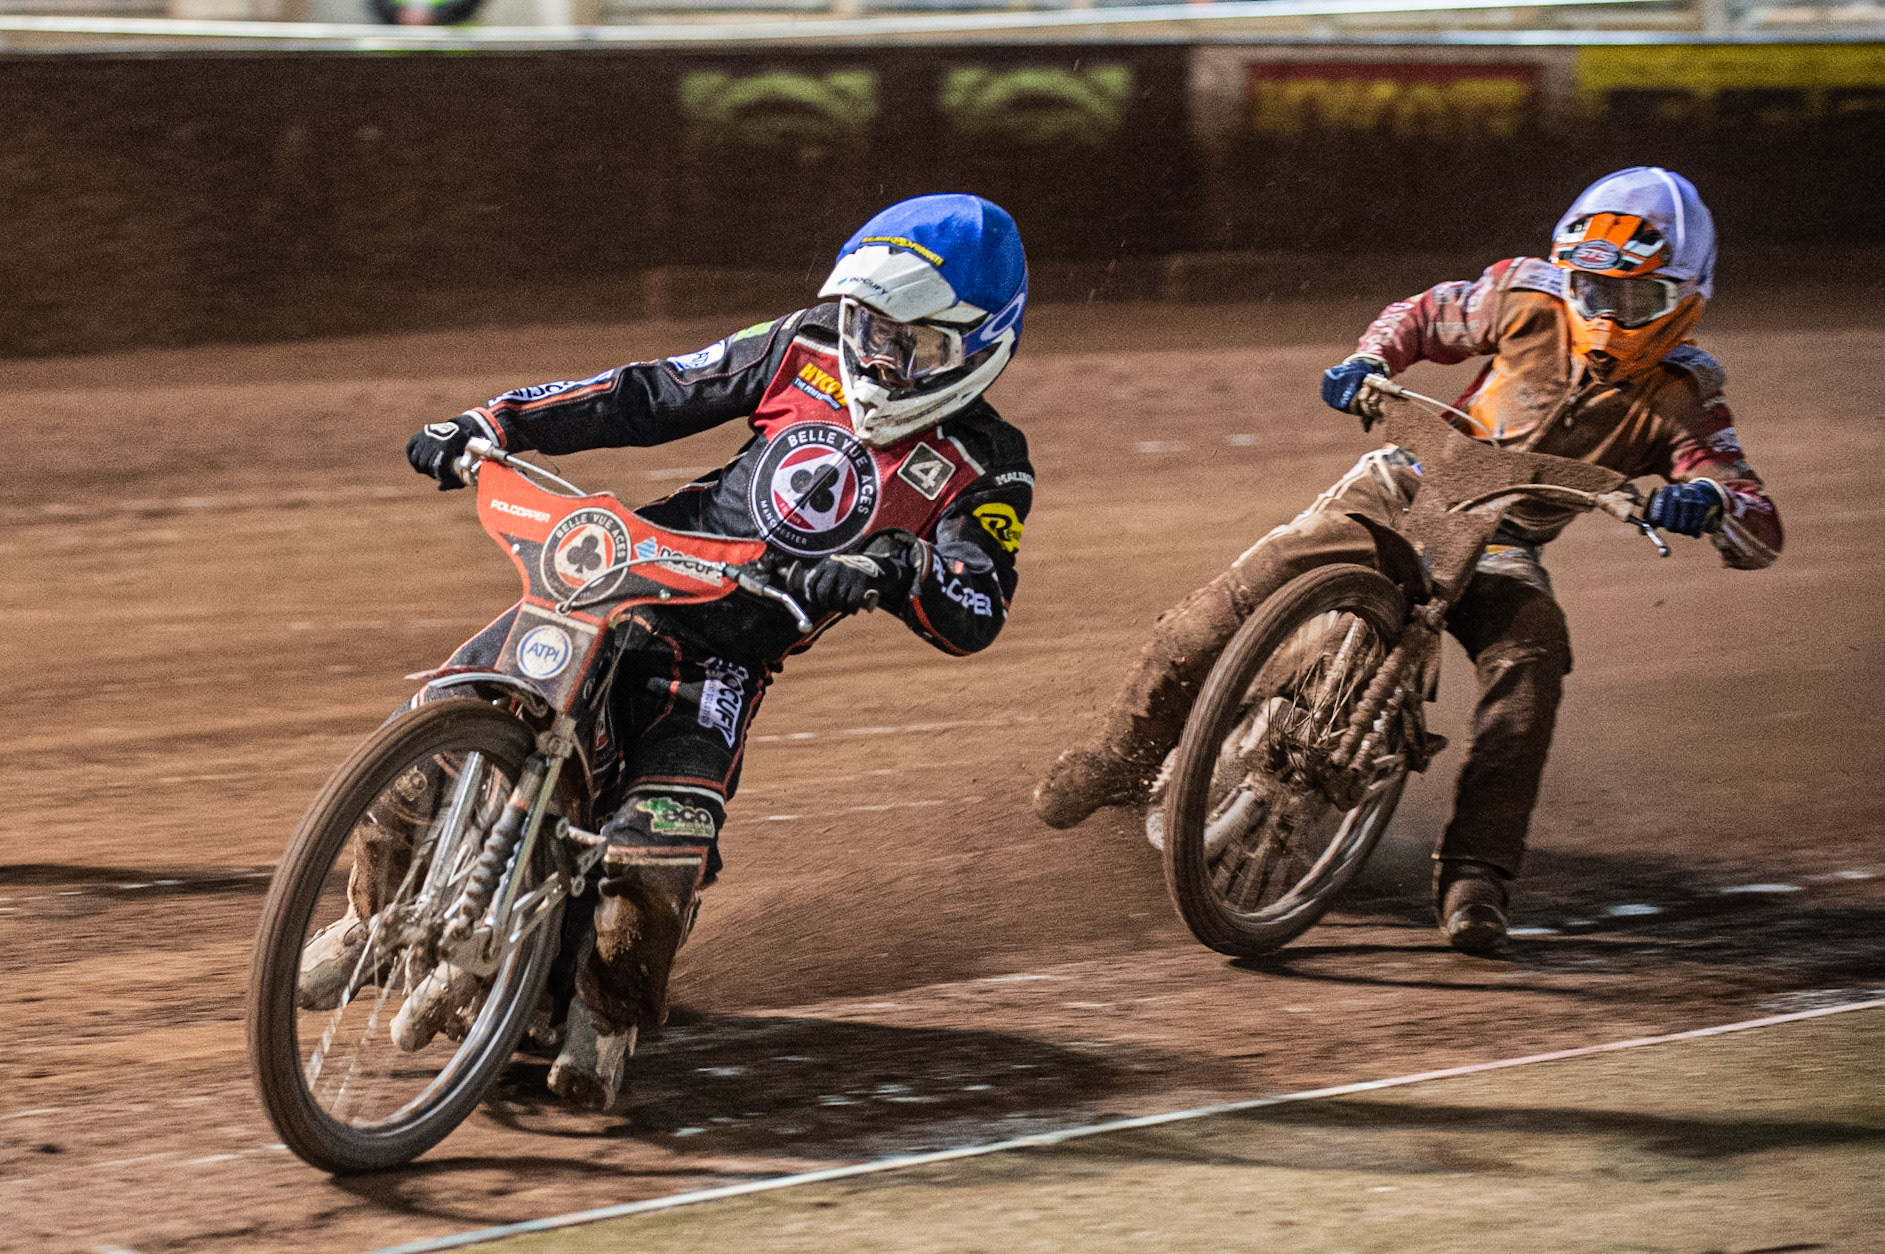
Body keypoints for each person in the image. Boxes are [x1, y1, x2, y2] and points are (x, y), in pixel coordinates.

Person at [1031, 167, 1782, 952]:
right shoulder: (1524, 299)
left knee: (1531, 655)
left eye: (1638, 301)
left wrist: (1711, 502)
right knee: (1234, 597)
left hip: (1503, 541)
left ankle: (1476, 873)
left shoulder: (1687, 397)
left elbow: (1758, 520)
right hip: (1406, 486)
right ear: (1570, 279)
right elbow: (1424, 315)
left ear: (1688, 300)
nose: (1609, 317)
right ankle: (1121, 754)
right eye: (1594, 294)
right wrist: (1368, 361)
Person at [392, 193, 1032, 1109]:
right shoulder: (803, 344)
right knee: (436, 730)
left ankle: (606, 1012)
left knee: (652, 863)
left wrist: (900, 567)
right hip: (613, 586)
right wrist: (497, 423)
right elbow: (654, 391)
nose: (878, 358)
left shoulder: (989, 463)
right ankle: (362, 919)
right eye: (867, 329)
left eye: (911, 344)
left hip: (720, 664)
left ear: (978, 345)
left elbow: (977, 606)